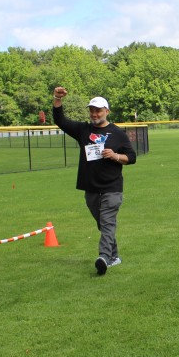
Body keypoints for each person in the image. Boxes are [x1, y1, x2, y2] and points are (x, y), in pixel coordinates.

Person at [52, 86, 136, 275]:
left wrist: (115, 155)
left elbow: (131, 157)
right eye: (91, 110)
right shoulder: (83, 130)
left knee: (107, 223)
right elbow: (60, 120)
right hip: (90, 189)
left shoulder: (118, 133)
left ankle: (103, 258)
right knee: (103, 225)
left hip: (112, 188)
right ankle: (114, 256)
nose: (94, 114)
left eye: (98, 110)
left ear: (107, 111)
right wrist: (57, 99)